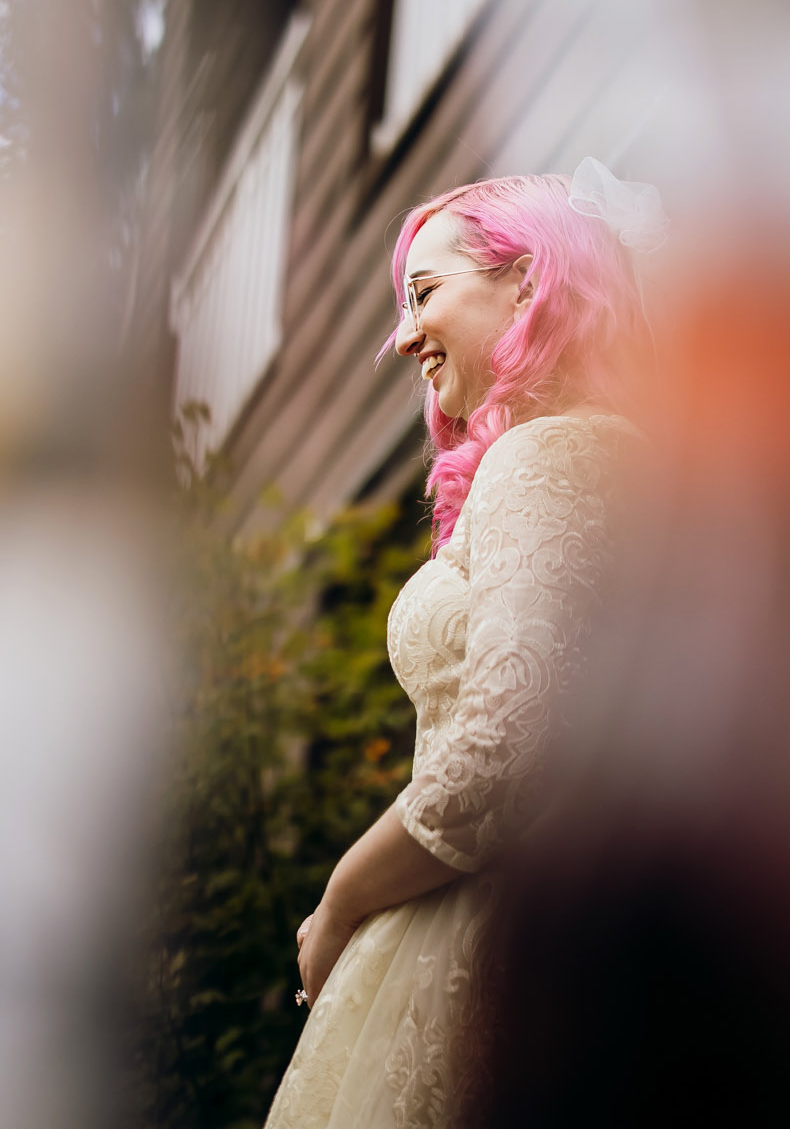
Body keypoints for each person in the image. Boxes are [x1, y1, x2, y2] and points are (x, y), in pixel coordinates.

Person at [264, 168, 653, 1129]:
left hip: (476, 945)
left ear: (528, 282)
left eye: (425, 294)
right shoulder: (627, 460)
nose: (403, 336)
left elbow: (508, 742)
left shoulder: (549, 454)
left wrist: (342, 900)